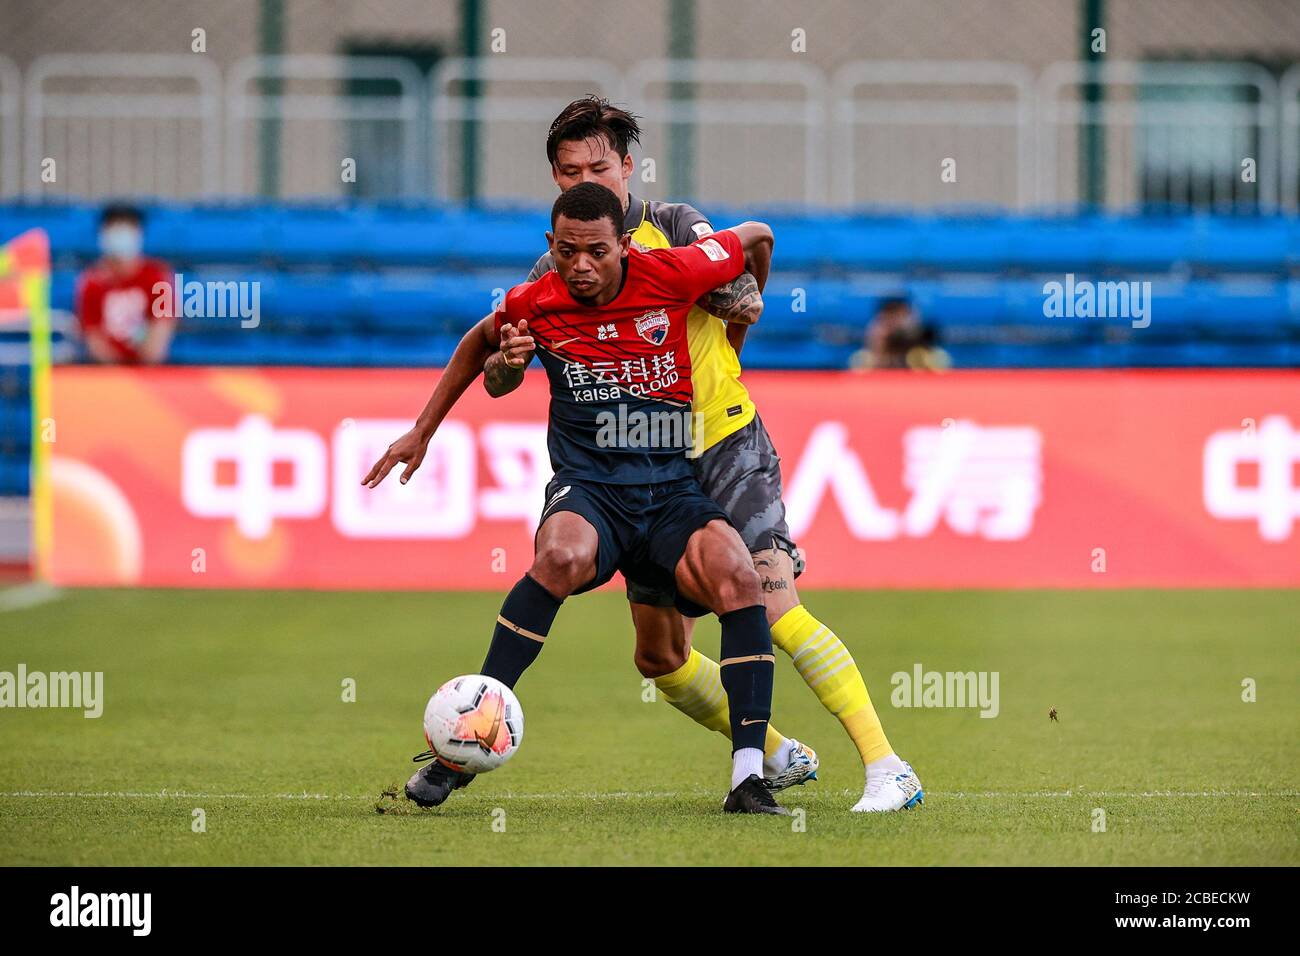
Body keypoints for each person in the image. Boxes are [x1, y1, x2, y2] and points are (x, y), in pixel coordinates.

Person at [367, 97, 921, 812]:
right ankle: (777, 751)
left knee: (764, 593)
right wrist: (467, 396)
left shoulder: (677, 231)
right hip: (632, 466)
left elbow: (752, 253)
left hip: (719, 441)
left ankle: (885, 767)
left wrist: (733, 341)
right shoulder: (555, 270)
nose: (583, 179)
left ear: (628, 167)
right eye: (568, 171)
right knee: (659, 656)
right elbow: (498, 361)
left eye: (598, 166)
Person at [384, 184, 786, 813]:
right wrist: (428, 425)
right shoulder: (532, 303)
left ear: (624, 244)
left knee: (736, 581)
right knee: (561, 557)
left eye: (597, 251)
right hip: (591, 490)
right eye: (568, 251)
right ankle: (455, 753)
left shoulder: (676, 269)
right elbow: (485, 358)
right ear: (551, 245)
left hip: (670, 493)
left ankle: (748, 778)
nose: (581, 266)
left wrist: (736, 339)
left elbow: (758, 235)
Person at [75, 204, 176, 365]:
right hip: (106, 373)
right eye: (114, 228)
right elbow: (92, 336)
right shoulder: (92, 281)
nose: (121, 235)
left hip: (149, 370)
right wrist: (116, 371)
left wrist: (143, 366)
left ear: (139, 234)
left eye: (127, 228)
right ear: (103, 235)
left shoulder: (156, 277)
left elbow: (161, 328)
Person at [850, 295, 949, 372]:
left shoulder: (914, 326)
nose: (896, 319)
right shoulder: (878, 328)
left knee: (935, 357)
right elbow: (876, 351)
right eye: (892, 314)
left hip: (912, 371)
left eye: (900, 314)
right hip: (883, 369)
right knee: (862, 360)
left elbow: (927, 342)